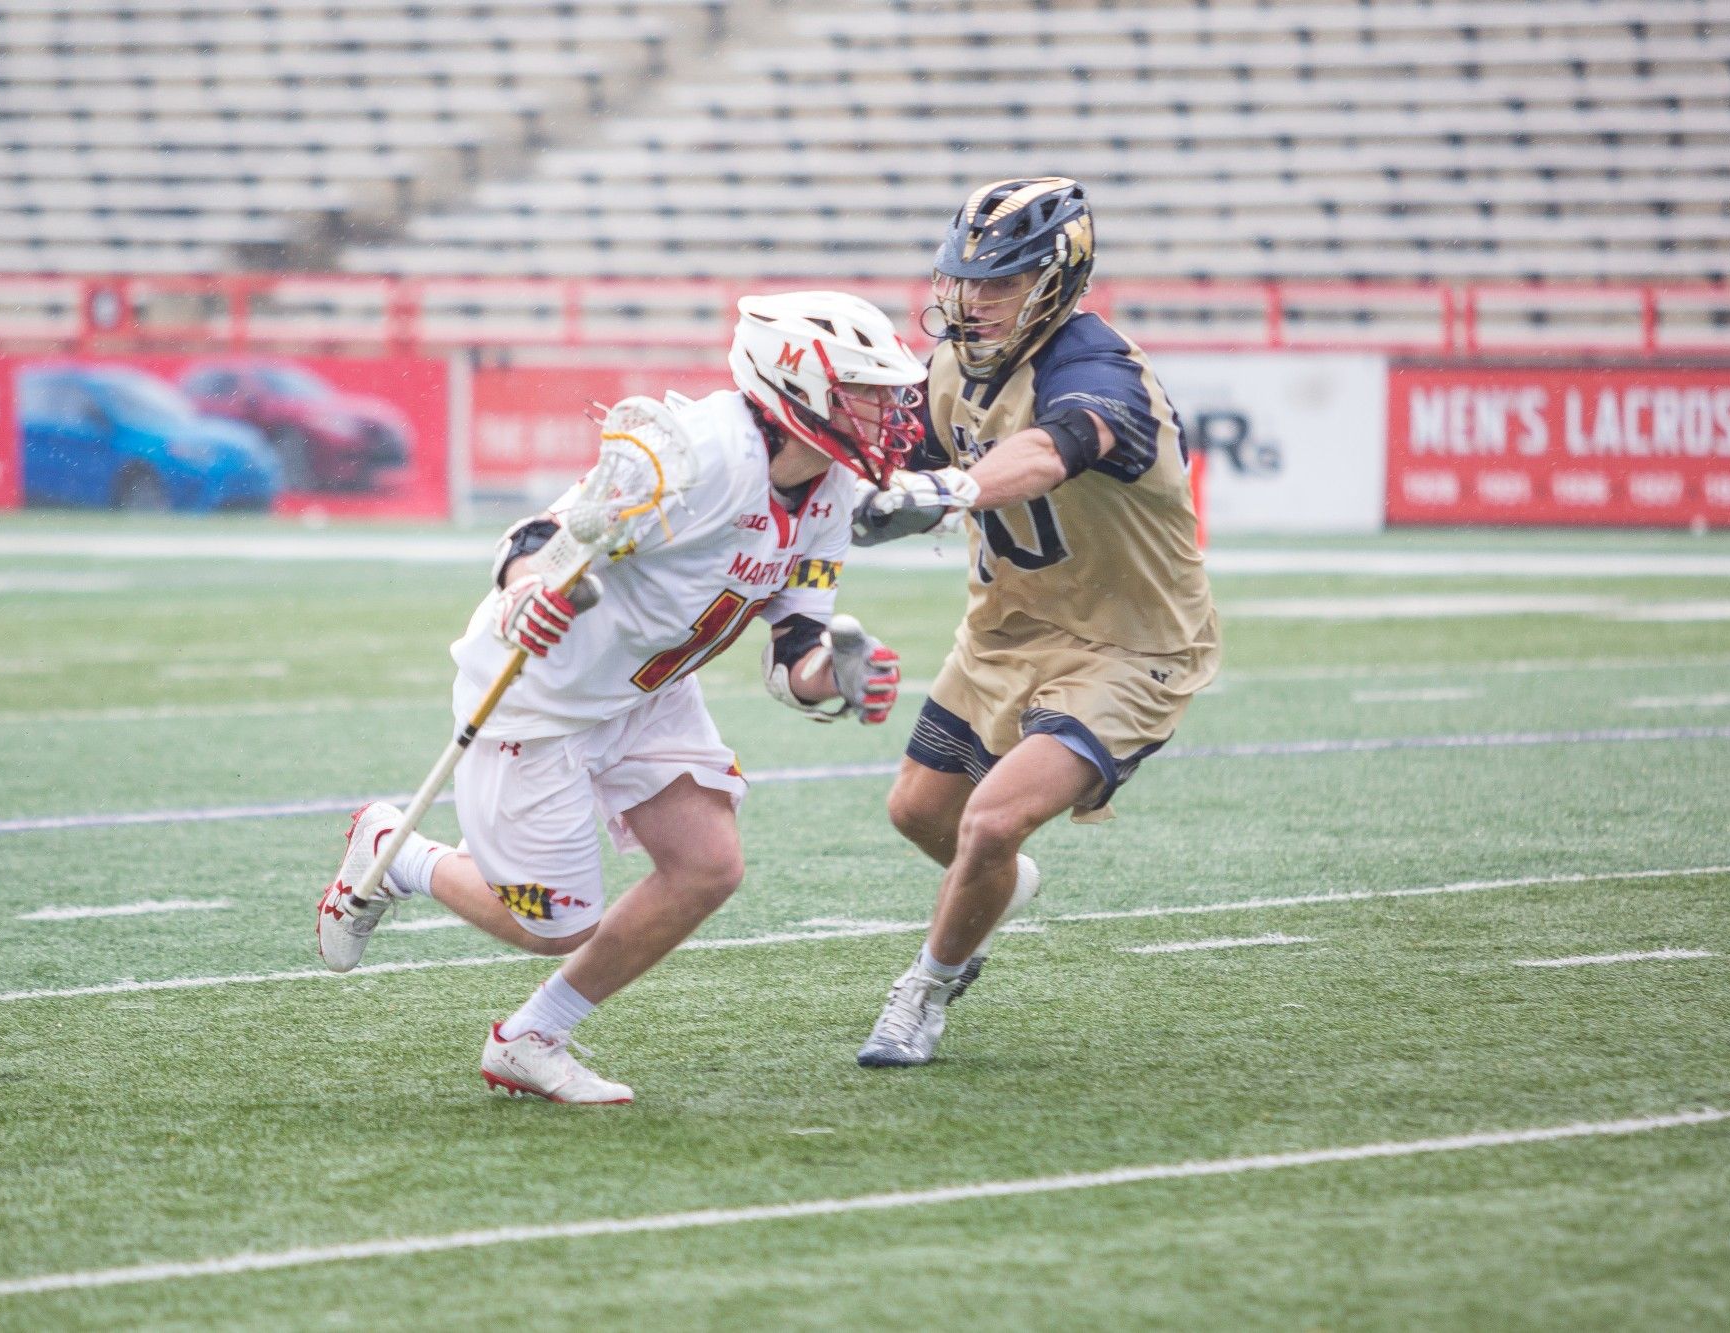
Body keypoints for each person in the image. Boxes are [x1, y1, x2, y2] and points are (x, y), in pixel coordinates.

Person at [316, 291, 924, 1103]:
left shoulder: (828, 492)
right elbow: (536, 538)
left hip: (649, 686)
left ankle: (531, 1037)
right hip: (547, 688)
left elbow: (793, 653)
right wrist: (528, 588)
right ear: (796, 386)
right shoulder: (703, 452)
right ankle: (399, 855)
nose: (887, 411)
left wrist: (838, 675)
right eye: (865, 390)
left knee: (708, 865)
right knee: (554, 924)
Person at [848, 177, 1221, 1068]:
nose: (973, 301)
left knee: (987, 823)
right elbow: (881, 455)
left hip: (1127, 646)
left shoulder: (1098, 368)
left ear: (1055, 281)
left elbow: (1053, 448)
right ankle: (995, 890)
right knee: (917, 811)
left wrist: (947, 490)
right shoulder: (954, 368)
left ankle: (926, 991)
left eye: (1000, 281)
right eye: (965, 280)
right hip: (1004, 631)